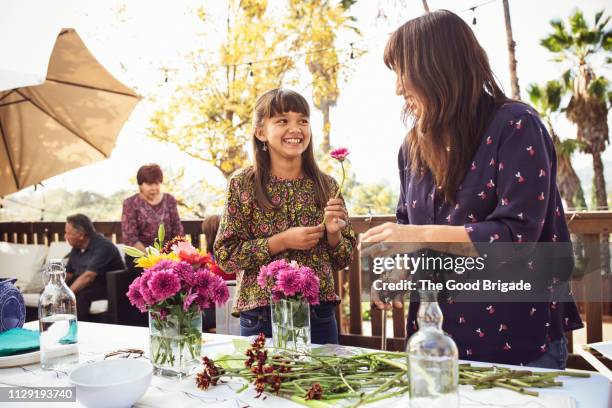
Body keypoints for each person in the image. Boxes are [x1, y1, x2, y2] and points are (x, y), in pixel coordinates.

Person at [361, 10, 582, 369]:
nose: (398, 87)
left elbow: (514, 238)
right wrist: (398, 269)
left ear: (437, 68)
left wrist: (416, 236)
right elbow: (407, 223)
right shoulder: (411, 146)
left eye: (404, 72)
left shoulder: (516, 126)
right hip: (432, 344)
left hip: (516, 345)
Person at [214, 88, 356, 345]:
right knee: (267, 385)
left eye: (302, 120)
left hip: (319, 314)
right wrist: (281, 241)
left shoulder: (328, 185)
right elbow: (226, 255)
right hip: (261, 314)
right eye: (282, 120)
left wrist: (334, 235)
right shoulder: (242, 184)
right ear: (260, 132)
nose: (295, 128)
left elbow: (344, 257)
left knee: (322, 385)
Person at [121, 163, 184, 272]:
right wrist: (153, 259)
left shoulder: (169, 200)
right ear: (140, 184)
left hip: (168, 256)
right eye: (149, 184)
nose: (154, 188)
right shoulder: (130, 203)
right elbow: (130, 238)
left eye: (157, 183)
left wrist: (168, 256)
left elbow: (178, 231)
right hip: (141, 257)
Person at [64, 214, 124, 322]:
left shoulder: (103, 246)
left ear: (81, 235)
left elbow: (89, 276)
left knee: (81, 296)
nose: (65, 236)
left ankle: (77, 330)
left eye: (68, 233)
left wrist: (66, 294)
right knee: (48, 292)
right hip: (87, 285)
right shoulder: (77, 247)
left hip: (107, 287)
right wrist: (57, 289)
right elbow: (69, 274)